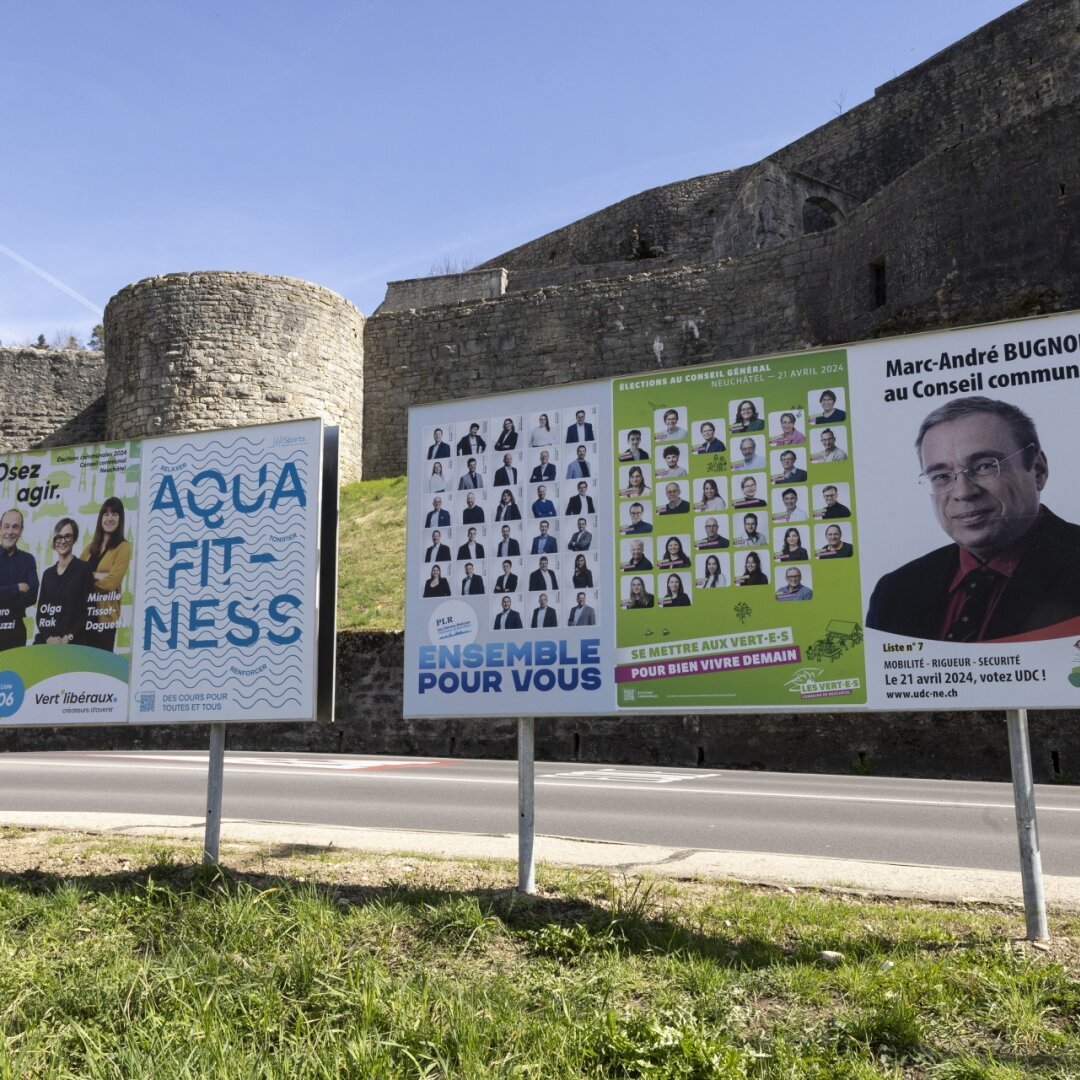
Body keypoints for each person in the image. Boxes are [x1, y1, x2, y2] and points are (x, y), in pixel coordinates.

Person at [866, 397, 1080, 642]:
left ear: (1038, 470)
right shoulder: (895, 591)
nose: (963, 492)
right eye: (942, 476)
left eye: (984, 466)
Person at [81, 496, 132, 652]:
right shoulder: (90, 547)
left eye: (115, 514)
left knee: (101, 668)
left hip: (105, 618)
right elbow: (76, 574)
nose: (110, 518)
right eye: (106, 514)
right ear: (101, 518)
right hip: (83, 616)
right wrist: (98, 575)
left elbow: (112, 582)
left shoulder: (123, 547)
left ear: (120, 519)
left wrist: (88, 578)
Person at [34, 518, 93, 645]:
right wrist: (48, 637)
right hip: (48, 642)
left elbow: (89, 611)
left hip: (74, 642)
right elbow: (41, 614)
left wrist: (70, 636)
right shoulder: (48, 574)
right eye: (59, 537)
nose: (62, 541)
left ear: (74, 539)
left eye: (68, 536)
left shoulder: (84, 569)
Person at [0, 508, 38, 651]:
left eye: (15, 527)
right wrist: (16, 588)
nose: (10, 532)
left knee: (13, 673)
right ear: (0, 528)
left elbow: (32, 596)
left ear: (21, 531)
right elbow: (22, 593)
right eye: (7, 526)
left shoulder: (28, 560)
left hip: (16, 633)